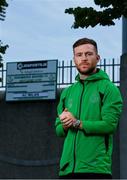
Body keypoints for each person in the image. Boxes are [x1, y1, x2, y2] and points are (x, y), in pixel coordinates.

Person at [55, 37, 123, 179]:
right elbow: (59, 130)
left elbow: (109, 125)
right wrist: (65, 125)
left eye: (88, 54)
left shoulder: (108, 89)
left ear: (97, 58)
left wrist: (76, 123)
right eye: (79, 55)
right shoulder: (67, 93)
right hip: (67, 170)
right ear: (74, 59)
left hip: (96, 169)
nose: (84, 58)